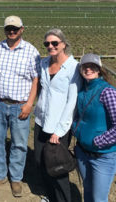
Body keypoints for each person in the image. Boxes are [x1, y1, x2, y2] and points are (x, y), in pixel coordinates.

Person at [0, 16, 40, 197]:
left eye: (15, 28)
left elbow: (35, 79)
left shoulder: (31, 51)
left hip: (20, 106)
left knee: (19, 144)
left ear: (22, 29)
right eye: (8, 28)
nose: (11, 31)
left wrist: (29, 103)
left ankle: (15, 179)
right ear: (4, 29)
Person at [34, 28, 81, 202]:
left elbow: (72, 101)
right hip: (41, 120)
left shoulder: (73, 67)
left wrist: (59, 131)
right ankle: (50, 196)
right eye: (47, 43)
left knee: (57, 166)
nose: (51, 46)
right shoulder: (44, 63)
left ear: (63, 44)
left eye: (55, 43)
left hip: (58, 127)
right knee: (40, 161)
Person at [72, 54, 116, 202]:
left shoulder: (107, 92)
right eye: (85, 66)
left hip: (102, 156)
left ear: (99, 69)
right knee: (88, 192)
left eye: (92, 66)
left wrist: (99, 141)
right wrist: (76, 130)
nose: (88, 69)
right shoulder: (82, 91)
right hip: (83, 152)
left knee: (99, 198)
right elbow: (78, 117)